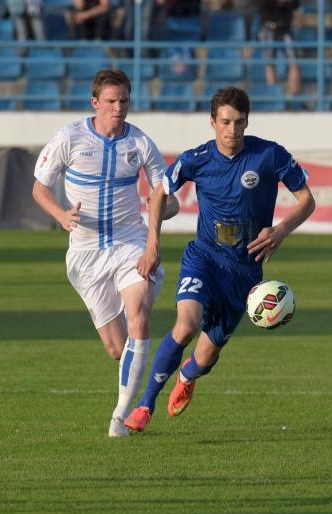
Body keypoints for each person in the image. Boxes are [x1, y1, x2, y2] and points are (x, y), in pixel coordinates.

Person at [124, 86, 315, 434]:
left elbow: (306, 199)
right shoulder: (197, 158)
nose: (233, 130)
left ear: (247, 122)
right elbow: (159, 193)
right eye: (225, 122)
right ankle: (144, 405)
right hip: (205, 257)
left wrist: (281, 230)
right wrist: (152, 243)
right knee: (186, 325)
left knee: (207, 355)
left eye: (239, 122)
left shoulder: (269, 155)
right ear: (213, 122)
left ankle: (187, 375)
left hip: (244, 271)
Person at [32, 69, 179, 438]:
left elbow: (168, 199)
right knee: (118, 348)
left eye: (124, 101)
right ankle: (131, 378)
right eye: (111, 102)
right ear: (95, 102)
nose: (118, 108)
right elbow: (40, 189)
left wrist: (154, 234)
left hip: (132, 243)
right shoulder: (70, 137)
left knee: (140, 316)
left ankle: (121, 416)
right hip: (85, 254)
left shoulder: (141, 143)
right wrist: (61, 215)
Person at [256, 0, 301, 97]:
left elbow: (296, 4)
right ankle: (274, 95)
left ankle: (294, 97)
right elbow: (262, 4)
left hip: (286, 28)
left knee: (294, 62)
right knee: (269, 63)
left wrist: (287, 2)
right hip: (268, 28)